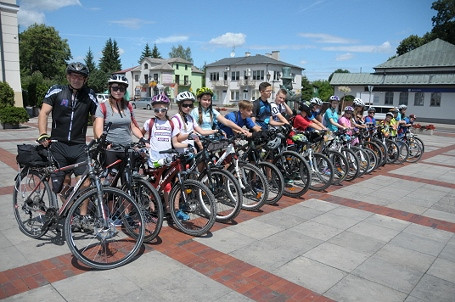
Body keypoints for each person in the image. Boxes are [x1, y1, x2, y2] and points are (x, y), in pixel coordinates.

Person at [37, 62, 98, 212]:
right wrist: (43, 134)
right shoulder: (57, 90)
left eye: (80, 77)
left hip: (79, 146)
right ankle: (69, 211)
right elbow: (44, 113)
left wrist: (97, 140)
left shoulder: (89, 94)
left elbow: (96, 118)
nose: (76, 80)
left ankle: (82, 216)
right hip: (58, 145)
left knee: (85, 183)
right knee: (62, 182)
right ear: (68, 76)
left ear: (85, 79)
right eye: (73, 76)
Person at [141, 93, 190, 220]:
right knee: (154, 184)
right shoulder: (150, 122)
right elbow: (141, 135)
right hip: (154, 159)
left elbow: (175, 142)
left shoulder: (171, 124)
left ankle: (169, 209)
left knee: (167, 185)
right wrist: (144, 143)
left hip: (167, 159)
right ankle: (152, 210)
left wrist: (188, 144)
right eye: (156, 110)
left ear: (167, 108)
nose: (160, 112)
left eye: (163, 109)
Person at [93, 74, 146, 180]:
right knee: (110, 181)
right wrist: (104, 141)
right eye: (115, 88)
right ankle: (108, 196)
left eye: (121, 89)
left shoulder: (128, 106)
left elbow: (133, 126)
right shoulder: (103, 106)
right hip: (110, 149)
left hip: (127, 148)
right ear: (110, 89)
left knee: (128, 180)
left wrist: (142, 139)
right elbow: (98, 128)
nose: (118, 91)